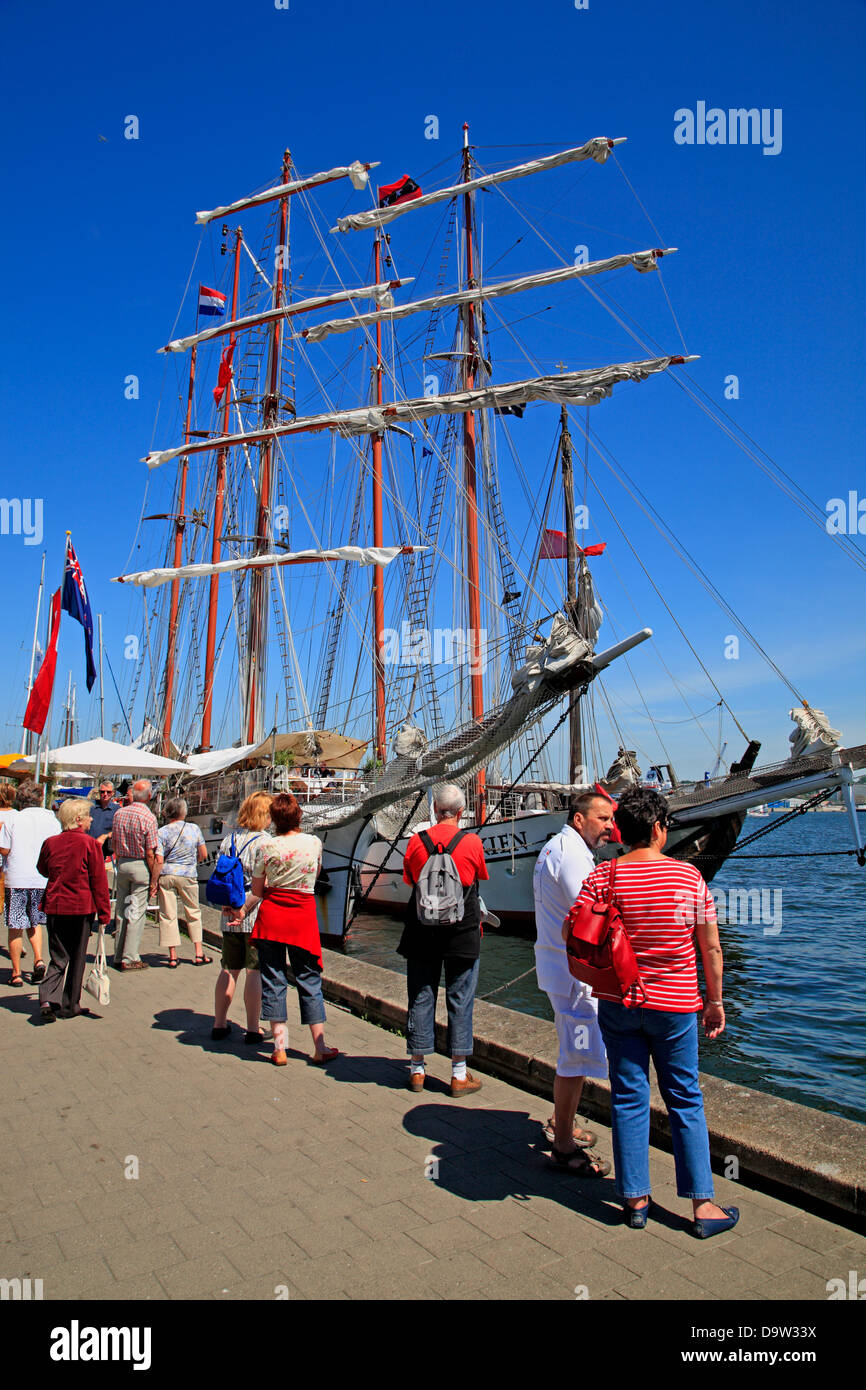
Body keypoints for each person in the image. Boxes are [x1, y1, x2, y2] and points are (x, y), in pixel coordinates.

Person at [573, 785, 738, 1238]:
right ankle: (702, 1206)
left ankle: (635, 1199)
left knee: (627, 1096)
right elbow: (711, 948)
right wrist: (715, 1002)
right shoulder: (688, 879)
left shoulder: (602, 876)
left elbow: (584, 934)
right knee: (684, 1098)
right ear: (661, 829)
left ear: (621, 829)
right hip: (676, 1005)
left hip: (619, 1002)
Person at [532, 791, 613, 1177]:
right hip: (572, 976)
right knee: (574, 1058)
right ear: (579, 820)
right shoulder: (572, 855)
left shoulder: (557, 848)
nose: (610, 827)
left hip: (559, 967)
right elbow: (592, 912)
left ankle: (561, 1122)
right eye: (603, 819)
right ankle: (563, 1144)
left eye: (611, 820)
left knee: (574, 1056)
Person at [225, 792, 337, 1066]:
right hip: (302, 917)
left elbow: (258, 890)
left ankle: (279, 1047)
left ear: (273, 819)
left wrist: (243, 911)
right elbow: (316, 873)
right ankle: (319, 1045)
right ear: (298, 815)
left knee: (274, 979)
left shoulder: (267, 847)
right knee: (308, 979)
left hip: (272, 917)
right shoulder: (314, 842)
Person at [399, 783, 489, 1097]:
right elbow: (477, 877)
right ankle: (459, 1075)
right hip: (462, 933)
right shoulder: (471, 842)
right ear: (461, 812)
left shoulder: (416, 841)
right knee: (460, 998)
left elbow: (410, 879)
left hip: (422, 930)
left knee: (421, 995)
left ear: (436, 811)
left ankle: (418, 1070)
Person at [35, 797, 111, 1022]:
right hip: (80, 907)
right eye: (88, 816)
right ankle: (70, 1004)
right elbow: (99, 881)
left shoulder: (51, 842)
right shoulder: (90, 845)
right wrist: (105, 913)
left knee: (58, 955)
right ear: (78, 819)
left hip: (55, 905)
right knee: (77, 957)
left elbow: (42, 868)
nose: (91, 820)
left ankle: (48, 998)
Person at [212, 792, 272, 1044]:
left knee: (228, 968)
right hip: (253, 914)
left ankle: (219, 1023)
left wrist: (230, 907)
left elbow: (220, 874)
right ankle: (252, 1028)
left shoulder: (229, 839)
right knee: (254, 971)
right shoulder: (266, 842)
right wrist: (244, 909)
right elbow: (264, 883)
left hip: (228, 913)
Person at [0, 781, 60, 987]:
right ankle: (38, 959)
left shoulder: (14, 819)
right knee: (34, 923)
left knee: (15, 926)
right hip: (42, 878)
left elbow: (4, 849)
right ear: (40, 797)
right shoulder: (51, 819)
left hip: (17, 877)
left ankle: (16, 973)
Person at [151, 797, 210, 967]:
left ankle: (172, 955)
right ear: (183, 811)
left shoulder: (162, 832)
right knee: (193, 912)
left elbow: (159, 860)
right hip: (188, 874)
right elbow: (204, 854)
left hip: (167, 874)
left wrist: (154, 882)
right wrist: (192, 862)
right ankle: (199, 953)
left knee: (168, 914)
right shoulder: (194, 829)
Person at [110, 779, 158, 971]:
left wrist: (120, 857)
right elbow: (150, 852)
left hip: (122, 863)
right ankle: (130, 957)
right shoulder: (149, 817)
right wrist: (154, 877)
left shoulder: (119, 813)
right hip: (140, 865)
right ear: (148, 796)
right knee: (136, 912)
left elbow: (114, 842)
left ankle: (118, 954)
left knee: (121, 910)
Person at [88, 782, 118, 859]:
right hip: (88, 846)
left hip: (105, 849)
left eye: (108, 792)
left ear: (113, 793)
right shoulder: (90, 807)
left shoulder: (117, 810)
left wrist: (105, 836)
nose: (105, 794)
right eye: (102, 792)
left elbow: (118, 830)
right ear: (99, 792)